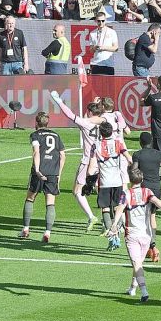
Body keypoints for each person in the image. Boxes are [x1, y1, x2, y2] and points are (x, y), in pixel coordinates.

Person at [108, 165, 161, 302]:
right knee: (138, 263)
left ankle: (144, 291)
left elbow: (119, 209)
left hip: (132, 234)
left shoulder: (126, 194)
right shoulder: (147, 192)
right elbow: (157, 201)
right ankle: (133, 288)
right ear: (141, 180)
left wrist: (114, 225)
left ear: (130, 179)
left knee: (137, 264)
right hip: (147, 234)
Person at [50, 91, 103, 230]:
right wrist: (95, 103)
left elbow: (70, 115)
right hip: (101, 161)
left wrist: (59, 101)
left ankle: (92, 217)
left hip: (87, 161)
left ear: (90, 112)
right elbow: (88, 118)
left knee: (77, 191)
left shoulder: (86, 123)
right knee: (102, 190)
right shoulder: (103, 121)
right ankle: (111, 221)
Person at [18, 112, 66, 243]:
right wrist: (59, 174)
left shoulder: (35, 135)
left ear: (36, 123)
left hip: (39, 172)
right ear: (47, 123)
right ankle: (47, 232)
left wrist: (38, 169)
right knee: (50, 202)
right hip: (53, 173)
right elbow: (62, 155)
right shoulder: (56, 135)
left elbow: (36, 151)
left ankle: (26, 229)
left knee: (30, 198)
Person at [91, 121, 132, 250]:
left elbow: (92, 167)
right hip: (118, 181)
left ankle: (112, 236)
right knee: (117, 209)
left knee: (105, 209)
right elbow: (129, 158)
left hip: (104, 182)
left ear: (101, 133)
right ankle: (117, 233)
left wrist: (89, 180)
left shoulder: (96, 145)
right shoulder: (118, 143)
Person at [132, 132, 161, 262]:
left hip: (144, 189)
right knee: (152, 216)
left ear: (140, 142)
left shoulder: (137, 154)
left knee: (144, 218)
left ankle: (152, 247)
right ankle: (151, 246)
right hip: (156, 189)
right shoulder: (159, 154)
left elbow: (134, 171)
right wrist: (160, 178)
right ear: (152, 141)